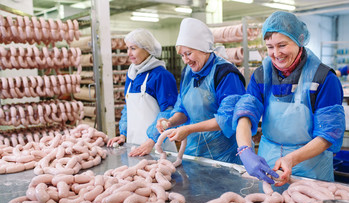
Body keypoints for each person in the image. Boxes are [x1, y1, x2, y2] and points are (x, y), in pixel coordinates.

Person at [233, 11, 345, 186]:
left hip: (311, 170)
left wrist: (291, 159)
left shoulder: (323, 78)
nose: (276, 53)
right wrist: (245, 150)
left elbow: (328, 134)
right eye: (270, 47)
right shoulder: (262, 75)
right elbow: (246, 114)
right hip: (267, 167)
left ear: (299, 40)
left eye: (282, 45)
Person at [156, 18, 246, 163]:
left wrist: (189, 129)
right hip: (194, 152)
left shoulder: (226, 74)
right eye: (182, 55)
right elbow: (183, 109)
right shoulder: (188, 73)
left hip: (224, 156)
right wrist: (170, 122)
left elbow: (227, 119)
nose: (185, 60)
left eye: (189, 53)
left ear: (204, 49)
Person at [107, 28, 178, 156]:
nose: (128, 53)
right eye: (127, 48)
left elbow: (169, 113)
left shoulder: (161, 75)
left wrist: (151, 140)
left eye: (133, 48)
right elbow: (128, 109)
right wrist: (123, 135)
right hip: (134, 144)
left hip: (159, 146)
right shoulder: (132, 75)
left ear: (147, 48)